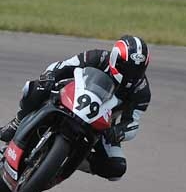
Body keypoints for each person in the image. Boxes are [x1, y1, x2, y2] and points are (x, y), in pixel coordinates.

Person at [0, 36, 151, 181]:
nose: (131, 74)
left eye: (137, 70)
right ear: (114, 59)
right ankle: (17, 122)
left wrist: (118, 132)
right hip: (70, 97)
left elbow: (132, 123)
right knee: (37, 87)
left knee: (116, 168)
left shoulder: (142, 91)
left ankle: (71, 160)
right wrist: (50, 76)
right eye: (126, 68)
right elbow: (61, 66)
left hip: (101, 125)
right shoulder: (97, 57)